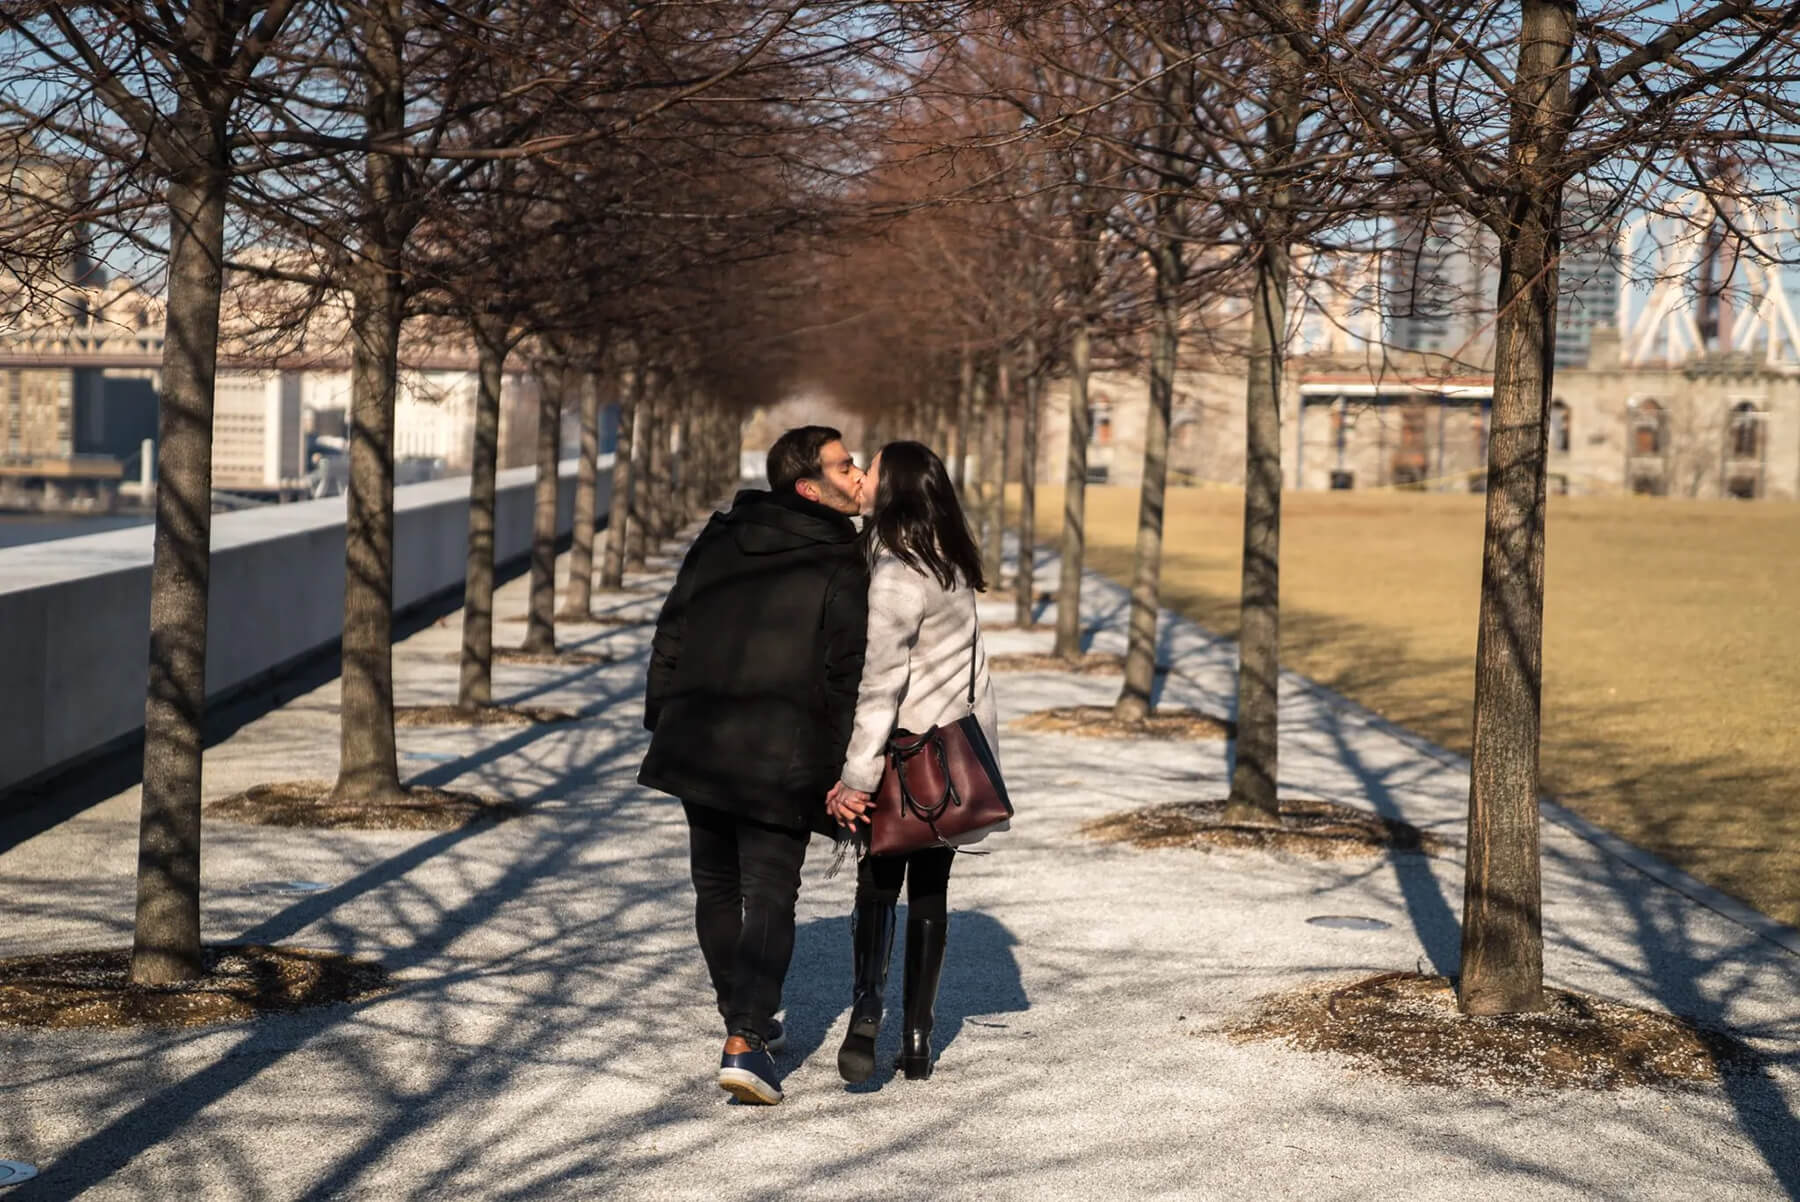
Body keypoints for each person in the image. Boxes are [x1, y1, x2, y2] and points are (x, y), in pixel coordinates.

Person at [640, 425, 868, 1106]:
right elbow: (845, 674)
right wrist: (849, 767)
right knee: (768, 891)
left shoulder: (721, 535)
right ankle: (744, 1038)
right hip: (782, 755)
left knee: (715, 885)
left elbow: (672, 628)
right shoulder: (841, 558)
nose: (859, 475)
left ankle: (742, 1019)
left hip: (700, 739)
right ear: (809, 486)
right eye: (846, 465)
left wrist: (666, 717)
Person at [825, 440, 1002, 1084]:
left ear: (892, 486)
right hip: (948, 762)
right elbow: (974, 673)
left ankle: (866, 1015)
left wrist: (855, 775)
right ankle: (919, 1034)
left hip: (904, 757)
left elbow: (881, 682)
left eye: (869, 470)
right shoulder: (950, 562)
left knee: (877, 884)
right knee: (931, 890)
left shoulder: (898, 572)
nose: (861, 478)